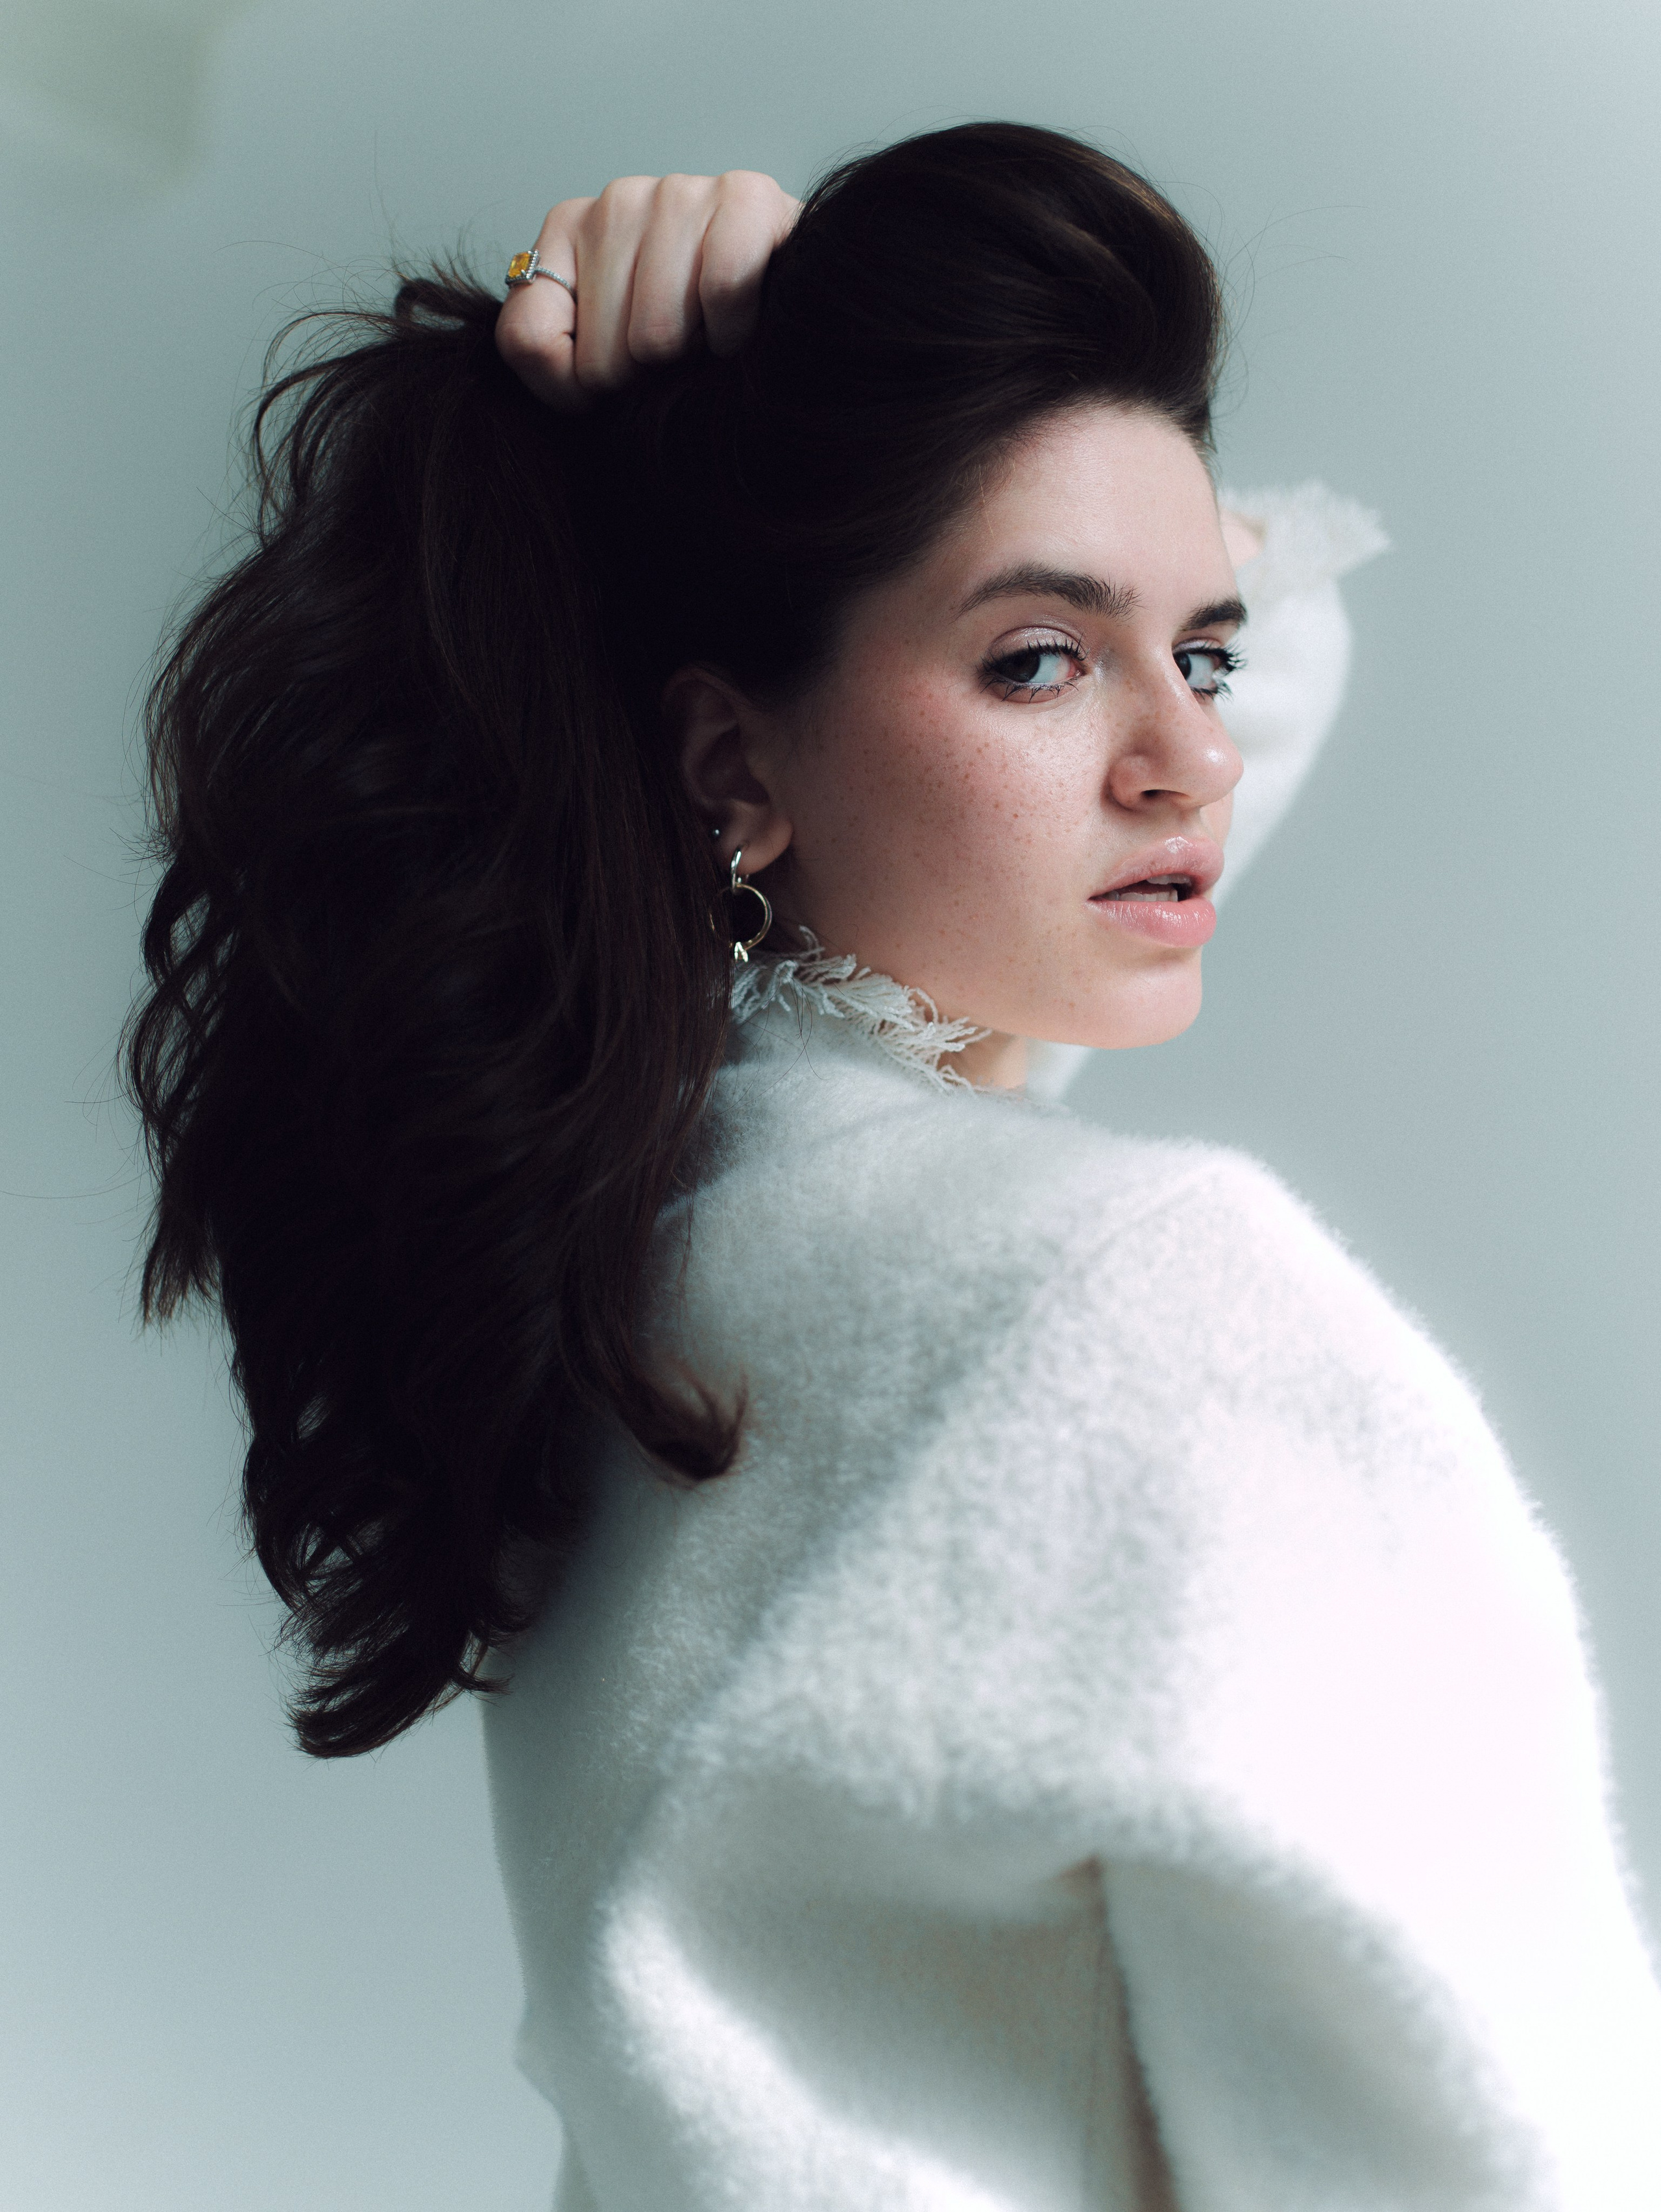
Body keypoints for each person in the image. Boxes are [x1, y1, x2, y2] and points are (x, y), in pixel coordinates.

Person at [126, 125, 1661, 2209]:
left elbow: (1160, 728)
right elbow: (1496, 2153)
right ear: (730, 766)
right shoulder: (1126, 1300)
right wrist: (791, 369)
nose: (1193, 754)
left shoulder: (607, 1235)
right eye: (1042, 657)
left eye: (1198, 652)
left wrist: (785, 405)